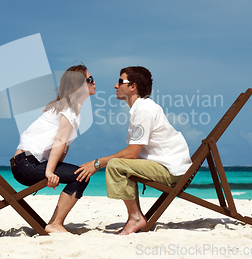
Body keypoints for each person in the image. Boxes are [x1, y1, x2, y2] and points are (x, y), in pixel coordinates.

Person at [75, 66, 192, 235]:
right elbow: (132, 153)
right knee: (119, 164)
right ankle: (135, 216)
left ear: (133, 87)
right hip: (171, 166)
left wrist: (97, 163)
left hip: (170, 170)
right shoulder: (141, 109)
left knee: (116, 166)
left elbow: (132, 153)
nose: (116, 85)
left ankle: (135, 218)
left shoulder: (144, 110)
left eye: (120, 81)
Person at [10, 64, 96, 233]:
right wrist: (50, 172)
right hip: (27, 164)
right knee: (82, 176)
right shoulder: (68, 107)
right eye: (90, 79)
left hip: (26, 163)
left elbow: (62, 146)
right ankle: (55, 224)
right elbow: (60, 140)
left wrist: (56, 169)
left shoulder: (70, 108)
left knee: (80, 174)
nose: (94, 82)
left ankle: (55, 223)